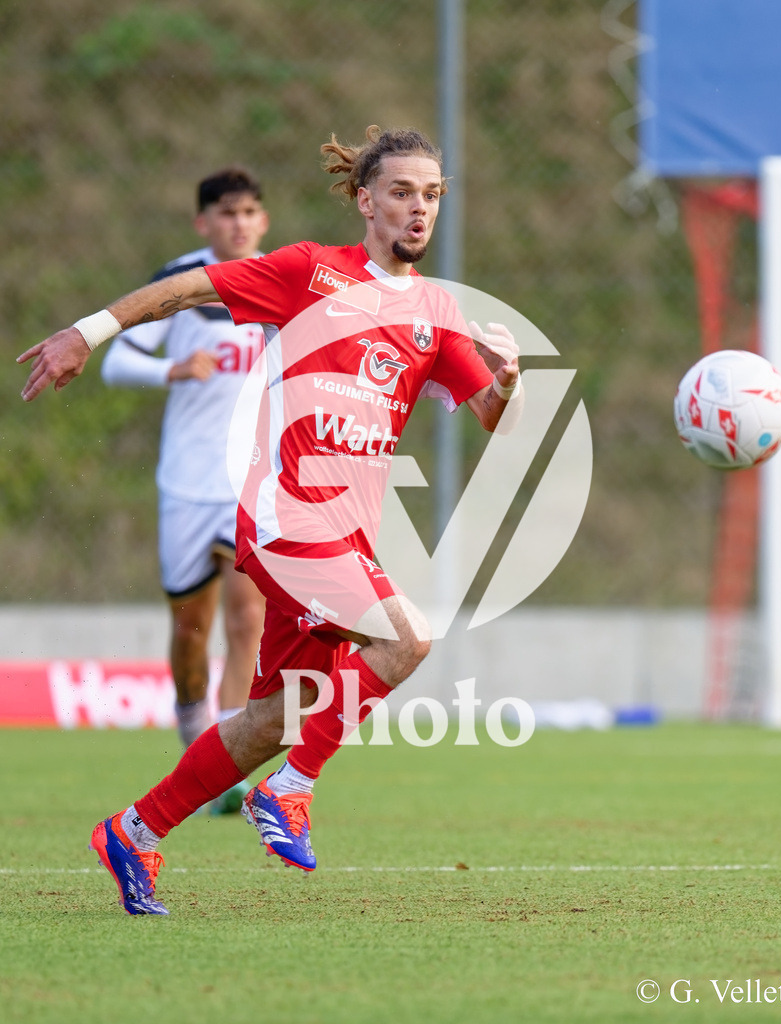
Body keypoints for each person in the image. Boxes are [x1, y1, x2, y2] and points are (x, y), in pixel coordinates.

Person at [18, 125, 523, 915]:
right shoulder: (309, 271)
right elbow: (187, 291)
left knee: (273, 716)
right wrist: (89, 334)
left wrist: (510, 383)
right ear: (364, 200)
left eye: (430, 194)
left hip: (345, 533)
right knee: (406, 638)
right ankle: (288, 791)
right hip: (289, 518)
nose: (417, 208)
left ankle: (133, 831)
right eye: (399, 192)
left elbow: (488, 413)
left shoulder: (434, 309)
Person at [101, 168, 269, 814]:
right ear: (204, 223)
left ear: (264, 221)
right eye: (227, 213)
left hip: (247, 482)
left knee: (245, 616)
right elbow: (117, 360)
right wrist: (170, 367)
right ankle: (192, 730)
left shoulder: (279, 280)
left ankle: (223, 764)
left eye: (250, 212)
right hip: (184, 484)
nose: (239, 223)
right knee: (189, 630)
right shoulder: (179, 282)